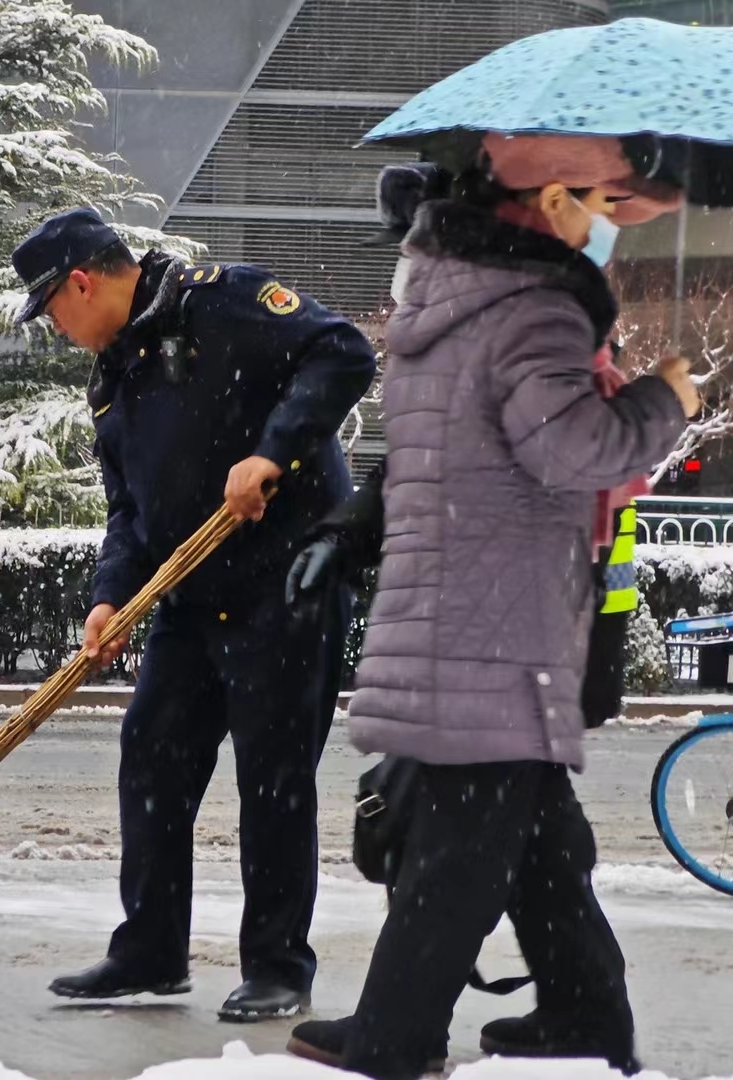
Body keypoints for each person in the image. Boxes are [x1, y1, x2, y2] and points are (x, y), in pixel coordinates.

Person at [281, 134, 699, 1078]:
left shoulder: (453, 294)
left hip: (460, 601)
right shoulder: (537, 307)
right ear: (554, 201)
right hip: (502, 616)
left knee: (534, 833)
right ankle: (398, 1036)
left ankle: (584, 1015)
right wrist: (663, 399)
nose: (618, 224)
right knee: (465, 840)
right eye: (611, 202)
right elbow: (574, 449)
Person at [7, 207, 377, 1020]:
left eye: (54, 311)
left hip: (285, 583)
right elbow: (127, 513)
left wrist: (273, 452)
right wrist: (111, 596)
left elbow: (344, 351)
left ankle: (278, 967)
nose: (57, 330)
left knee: (273, 777)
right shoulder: (112, 382)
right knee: (153, 753)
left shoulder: (220, 302)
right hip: (190, 595)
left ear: (82, 282)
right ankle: (150, 951)